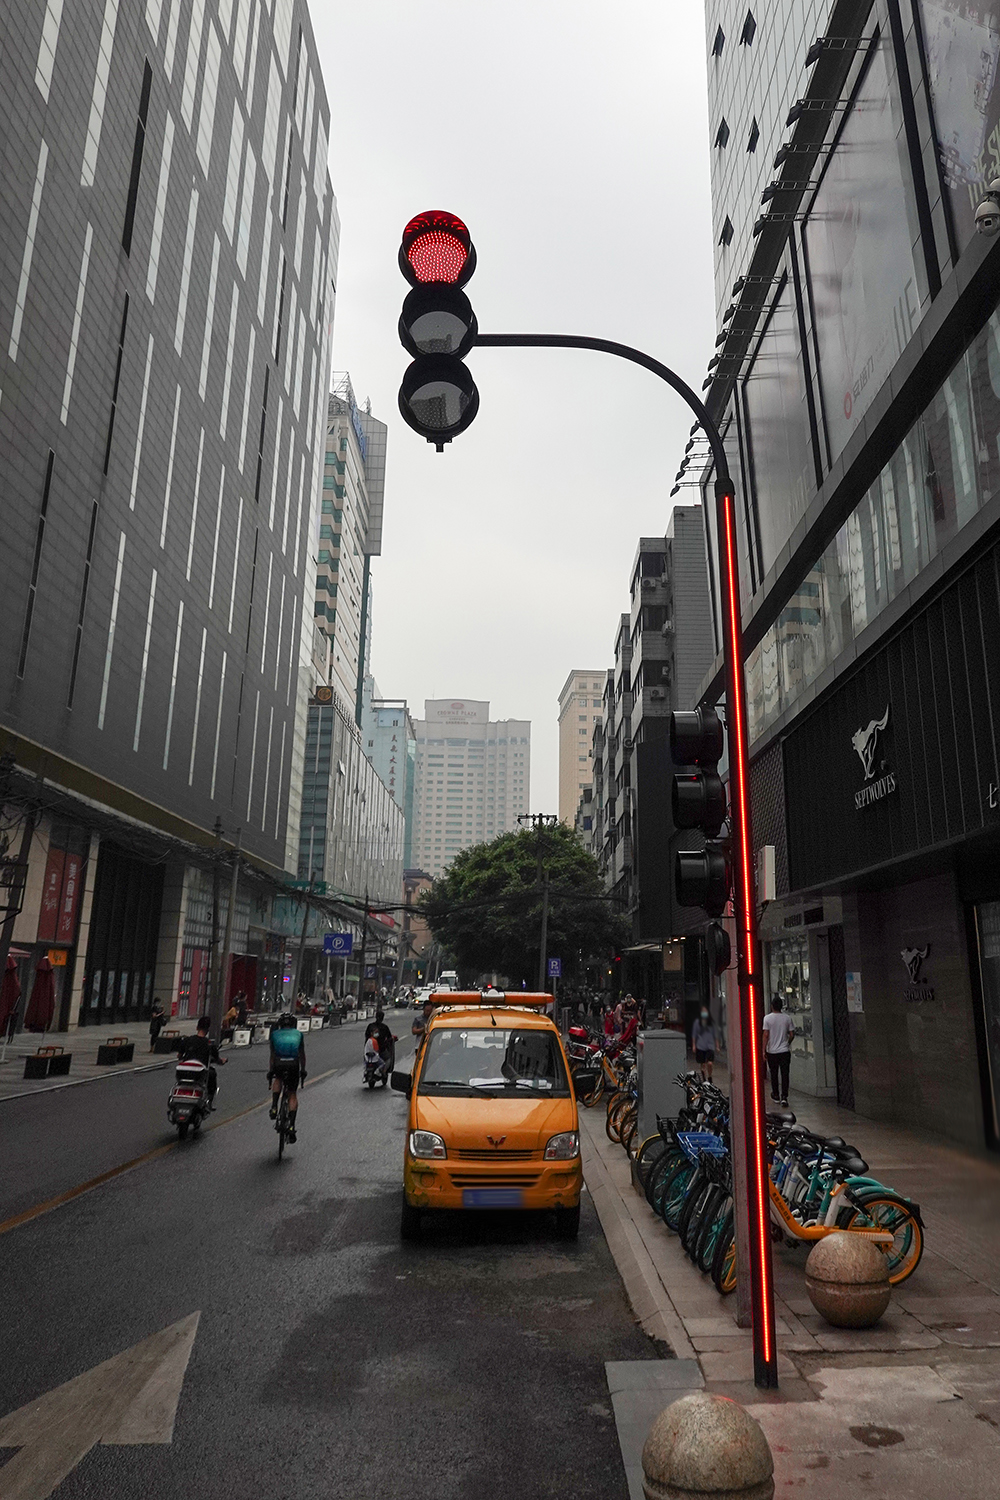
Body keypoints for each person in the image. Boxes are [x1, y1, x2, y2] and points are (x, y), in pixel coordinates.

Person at [269, 1013, 307, 1142]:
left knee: (278, 1079)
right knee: (292, 1094)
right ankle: (291, 1125)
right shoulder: (299, 1034)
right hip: (293, 1064)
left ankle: (274, 1106)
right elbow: (302, 1055)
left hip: (279, 1062)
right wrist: (303, 1070)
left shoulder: (274, 1034)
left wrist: (271, 1071)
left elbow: (272, 1055)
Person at [178, 1016, 226, 1103]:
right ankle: (209, 1100)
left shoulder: (187, 1040)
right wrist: (222, 1061)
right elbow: (217, 1060)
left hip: (184, 1071)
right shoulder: (209, 1044)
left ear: (197, 1027)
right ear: (208, 1030)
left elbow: (179, 1056)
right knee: (212, 1074)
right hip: (199, 1073)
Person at [762, 996, 795, 1107]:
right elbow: (792, 1034)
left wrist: (763, 1050)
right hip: (784, 1051)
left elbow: (766, 1035)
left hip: (772, 1051)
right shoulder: (787, 1018)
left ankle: (775, 1094)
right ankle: (784, 1096)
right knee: (785, 1074)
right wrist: (787, 1043)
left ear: (772, 1006)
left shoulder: (767, 1019)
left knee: (774, 1073)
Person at [365, 1009, 397, 1075]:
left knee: (366, 1058)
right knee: (388, 1059)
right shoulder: (384, 1027)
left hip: (369, 1049)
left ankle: (366, 1071)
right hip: (381, 1049)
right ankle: (384, 1071)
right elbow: (389, 1037)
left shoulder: (370, 1026)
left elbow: (366, 1036)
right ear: (382, 1018)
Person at [692, 1005, 717, 1081]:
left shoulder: (711, 1023)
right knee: (702, 1064)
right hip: (701, 1046)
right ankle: (704, 1078)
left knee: (710, 1063)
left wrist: (717, 1045)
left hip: (710, 1046)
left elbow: (715, 1034)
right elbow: (694, 1034)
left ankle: (709, 1076)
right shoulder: (697, 1022)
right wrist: (694, 1045)